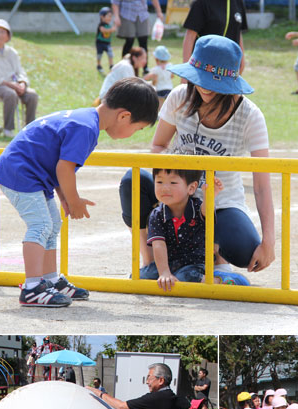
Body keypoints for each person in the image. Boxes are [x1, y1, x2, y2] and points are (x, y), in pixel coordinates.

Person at [0, 77, 159, 308]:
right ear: (124, 116)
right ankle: (31, 288)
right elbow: (64, 167)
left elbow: (57, 162)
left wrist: (63, 197)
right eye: (137, 128)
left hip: (31, 173)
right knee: (40, 225)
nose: (134, 133)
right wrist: (73, 199)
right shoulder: (86, 127)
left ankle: (49, 280)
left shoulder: (86, 120)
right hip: (21, 172)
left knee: (52, 223)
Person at [119, 35, 275, 280]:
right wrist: (177, 178)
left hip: (220, 202)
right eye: (199, 79)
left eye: (214, 82)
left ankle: (215, 261)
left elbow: (262, 184)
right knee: (133, 180)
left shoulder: (251, 115)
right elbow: (159, 145)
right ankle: (150, 261)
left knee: (245, 251)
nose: (203, 88)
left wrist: (269, 241)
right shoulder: (179, 97)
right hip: (178, 194)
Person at [147, 163, 249, 289]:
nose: (165, 188)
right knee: (142, 276)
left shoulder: (196, 207)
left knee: (185, 278)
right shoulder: (156, 214)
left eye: (173, 183)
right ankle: (172, 275)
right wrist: (164, 272)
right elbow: (158, 244)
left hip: (196, 263)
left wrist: (209, 197)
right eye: (159, 182)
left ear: (191, 188)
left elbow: (206, 212)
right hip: (171, 262)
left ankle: (220, 279)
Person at [0, 19, 39, 138]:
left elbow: (20, 71)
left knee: (32, 95)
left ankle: (30, 129)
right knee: (10, 94)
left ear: (8, 36)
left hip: (13, 85)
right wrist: (12, 85)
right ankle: (8, 129)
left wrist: (22, 83)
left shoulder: (12, 52)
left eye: (2, 32)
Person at [182, 0, 247, 75]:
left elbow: (237, 32)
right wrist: (186, 73)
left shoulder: (238, 2)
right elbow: (190, 37)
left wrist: (242, 63)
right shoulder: (201, 3)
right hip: (203, 70)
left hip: (228, 72)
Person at [111, 0, 164, 74]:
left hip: (142, 15)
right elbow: (115, 2)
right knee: (130, 40)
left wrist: (159, 12)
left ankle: (145, 68)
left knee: (143, 42)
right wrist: (116, 16)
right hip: (127, 14)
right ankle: (124, 65)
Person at [96, 7, 116, 75]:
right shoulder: (101, 25)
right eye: (108, 16)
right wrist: (111, 29)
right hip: (100, 43)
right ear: (102, 16)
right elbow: (103, 30)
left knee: (110, 54)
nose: (110, 18)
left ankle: (111, 66)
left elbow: (113, 29)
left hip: (107, 43)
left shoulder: (109, 25)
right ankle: (99, 65)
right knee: (99, 55)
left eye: (111, 16)